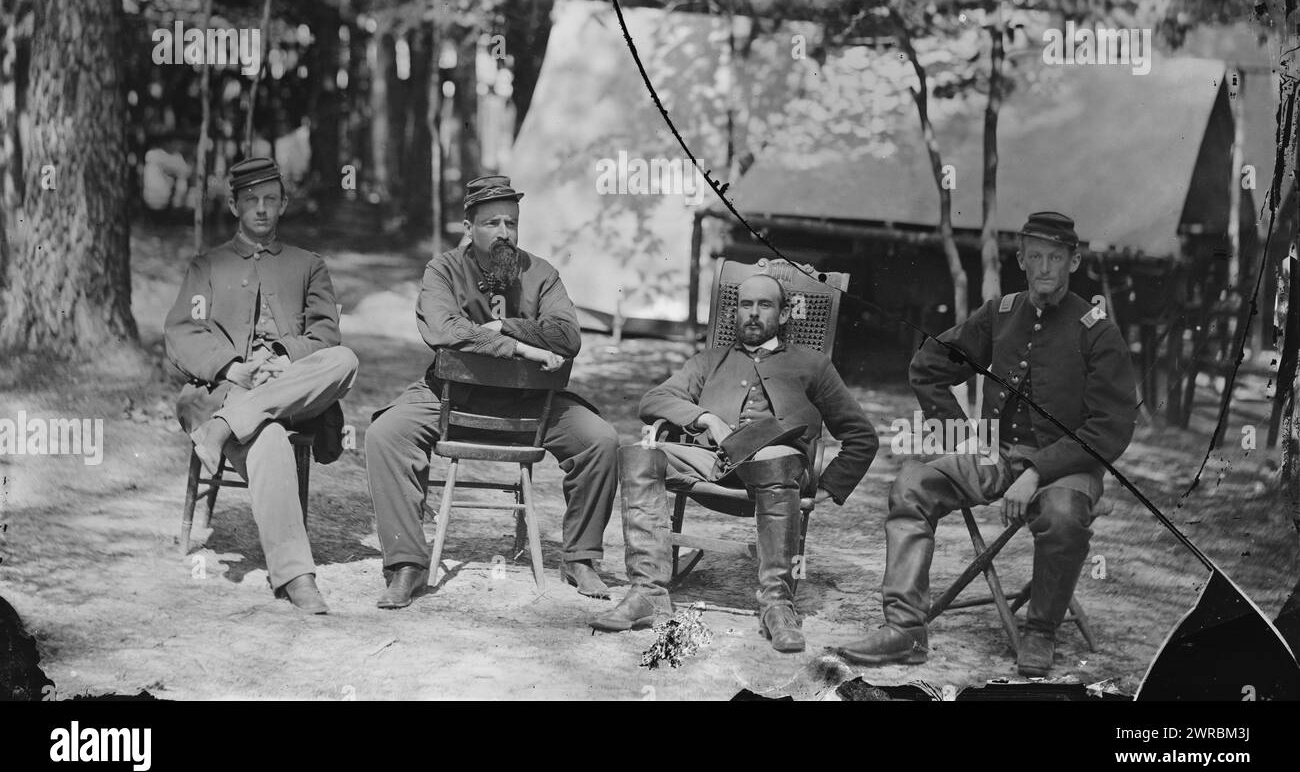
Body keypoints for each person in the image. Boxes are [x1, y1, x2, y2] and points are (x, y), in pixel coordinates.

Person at [837, 211, 1139, 676]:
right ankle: (905, 629)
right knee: (913, 483)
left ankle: (1040, 631)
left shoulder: (1097, 328)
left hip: (1070, 465)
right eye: (1034, 257)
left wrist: (1038, 470)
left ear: (1073, 261)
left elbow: (1111, 425)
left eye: (1055, 258)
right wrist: (964, 439)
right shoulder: (1000, 313)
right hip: (995, 453)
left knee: (1060, 515)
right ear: (1020, 259)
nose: (1044, 268)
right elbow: (929, 366)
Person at [592, 265, 878, 653]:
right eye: (745, 305)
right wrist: (705, 416)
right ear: (734, 312)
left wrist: (828, 488)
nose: (754, 313)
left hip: (779, 469)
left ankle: (777, 605)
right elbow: (653, 400)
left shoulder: (813, 366)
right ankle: (646, 592)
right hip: (713, 464)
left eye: (764, 305)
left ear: (784, 313)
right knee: (641, 455)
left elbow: (862, 436)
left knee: (775, 458)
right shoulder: (711, 360)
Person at [364, 175, 618, 608]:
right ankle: (406, 562)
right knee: (385, 435)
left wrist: (504, 326)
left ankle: (580, 557)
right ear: (468, 227)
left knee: (601, 441)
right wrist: (522, 348)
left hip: (530, 406)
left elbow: (568, 337)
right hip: (450, 399)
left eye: (511, 223)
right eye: (491, 223)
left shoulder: (540, 274)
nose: (504, 233)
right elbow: (444, 330)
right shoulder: (442, 270)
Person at [164, 157, 359, 615]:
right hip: (226, 388)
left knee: (345, 360)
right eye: (251, 200)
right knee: (267, 436)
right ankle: (296, 576)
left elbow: (327, 336)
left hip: (292, 388)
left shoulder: (308, 265)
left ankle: (225, 427)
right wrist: (232, 367)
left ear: (284, 204)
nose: (262, 209)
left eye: (272, 199)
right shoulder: (207, 266)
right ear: (234, 204)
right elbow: (182, 333)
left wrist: (283, 360)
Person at [142, 136, 191, 221]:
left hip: (161, 200)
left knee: (180, 179)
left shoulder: (164, 157)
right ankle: (177, 209)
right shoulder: (154, 154)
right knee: (181, 180)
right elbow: (185, 169)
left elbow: (185, 170)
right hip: (156, 199)